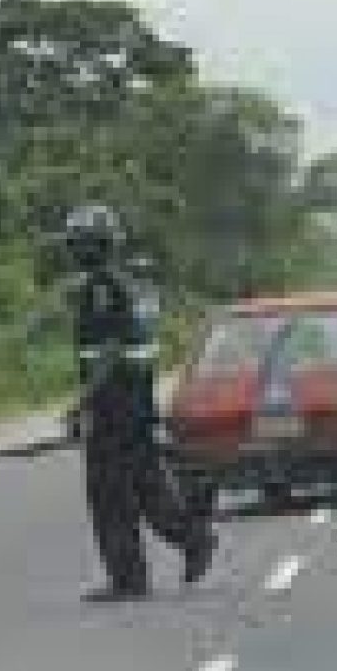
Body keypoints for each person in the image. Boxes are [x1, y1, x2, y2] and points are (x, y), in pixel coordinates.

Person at [61, 205, 216, 603]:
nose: (74, 251)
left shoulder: (101, 288)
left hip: (113, 406)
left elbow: (110, 349)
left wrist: (82, 402)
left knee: (109, 493)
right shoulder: (135, 284)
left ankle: (129, 578)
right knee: (149, 488)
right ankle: (193, 538)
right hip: (138, 403)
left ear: (94, 245)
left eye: (79, 244)